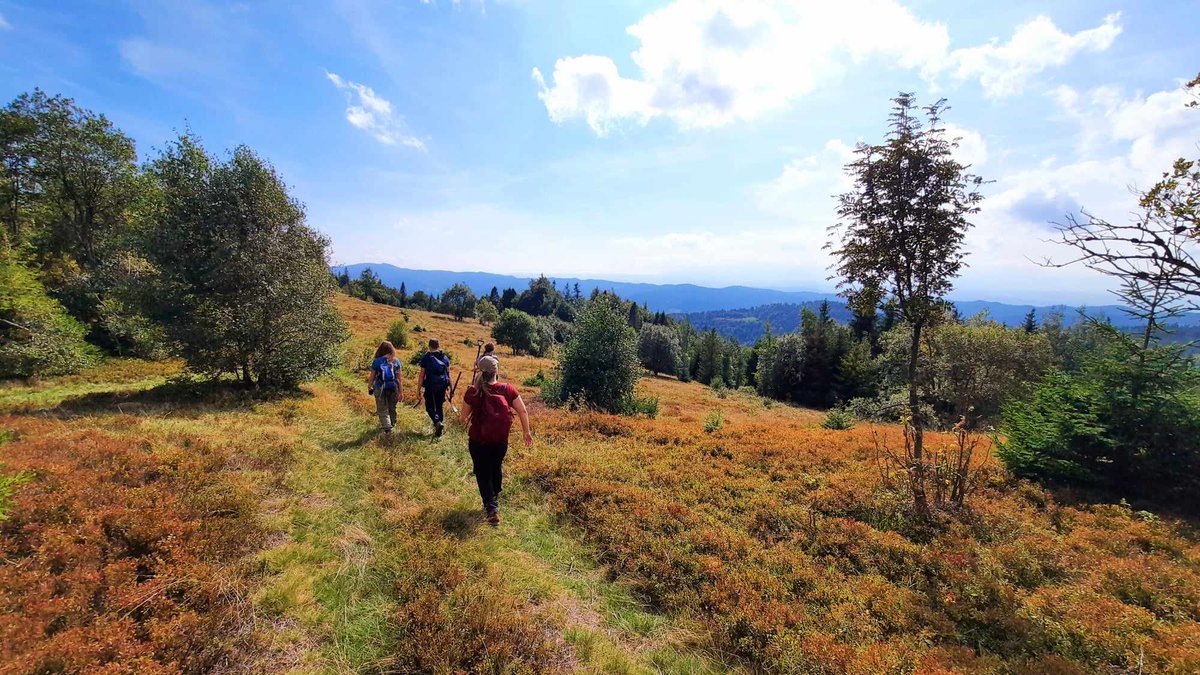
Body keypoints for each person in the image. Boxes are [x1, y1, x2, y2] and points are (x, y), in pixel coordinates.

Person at [461, 355, 533, 525]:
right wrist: (526, 432)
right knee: (495, 467)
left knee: (482, 472)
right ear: (496, 371)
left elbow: (463, 417)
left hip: (478, 440)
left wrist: (467, 415)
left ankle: (491, 508)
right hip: (500, 441)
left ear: (479, 370)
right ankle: (494, 496)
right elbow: (523, 411)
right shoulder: (508, 389)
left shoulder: (472, 391)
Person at [417, 338, 452, 437]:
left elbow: (422, 374)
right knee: (439, 406)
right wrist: (451, 388)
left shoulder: (427, 357)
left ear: (429, 346)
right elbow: (448, 375)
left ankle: (437, 422)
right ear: (438, 346)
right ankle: (439, 428)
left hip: (430, 385)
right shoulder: (445, 358)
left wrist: (418, 389)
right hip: (442, 386)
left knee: (429, 407)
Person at [367, 341, 402, 434]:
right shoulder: (396, 361)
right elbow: (399, 379)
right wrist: (400, 392)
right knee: (392, 407)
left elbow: (372, 377)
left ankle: (387, 427)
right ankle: (392, 424)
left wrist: (369, 387)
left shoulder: (377, 361)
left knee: (382, 409)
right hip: (393, 387)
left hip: (379, 387)